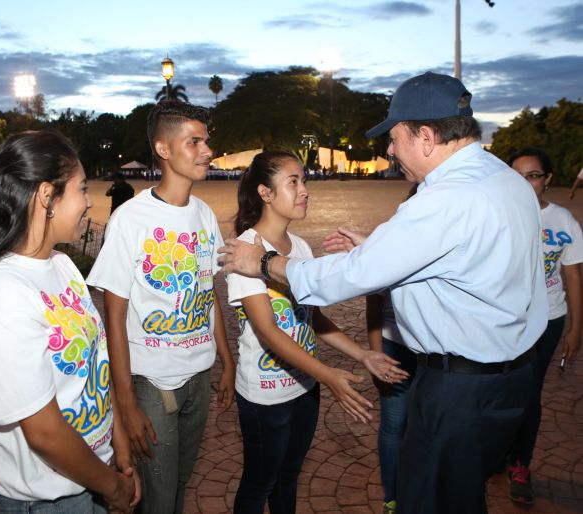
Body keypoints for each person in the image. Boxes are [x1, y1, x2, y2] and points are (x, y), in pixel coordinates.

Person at [218, 71, 548, 513]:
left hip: (461, 388)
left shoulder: (446, 197)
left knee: (428, 501)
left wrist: (262, 264)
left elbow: (346, 279)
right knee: (462, 495)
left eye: (394, 138)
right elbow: (457, 258)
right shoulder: (506, 180)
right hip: (511, 378)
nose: (390, 150)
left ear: (426, 136)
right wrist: (376, 250)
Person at [0, 131, 138, 513]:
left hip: (92, 475)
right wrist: (114, 490)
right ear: (46, 197)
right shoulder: (5, 290)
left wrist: (118, 445)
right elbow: (45, 433)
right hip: (46, 500)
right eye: (81, 189)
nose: (89, 202)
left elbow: (94, 365)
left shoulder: (62, 264)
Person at [227, 151, 407, 514]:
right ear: (265, 192)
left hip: (304, 387)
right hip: (265, 394)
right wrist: (329, 376)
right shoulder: (246, 252)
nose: (305, 190)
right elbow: (269, 332)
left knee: (289, 476)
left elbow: (313, 318)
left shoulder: (299, 248)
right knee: (259, 481)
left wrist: (362, 354)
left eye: (304, 180)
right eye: (293, 182)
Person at [86, 100, 235, 514]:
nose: (207, 151)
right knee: (157, 495)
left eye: (206, 141)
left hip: (198, 375)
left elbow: (207, 296)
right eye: (194, 142)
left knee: (179, 485)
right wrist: (126, 405)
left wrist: (225, 358)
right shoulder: (130, 220)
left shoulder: (204, 215)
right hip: (152, 383)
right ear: (164, 149)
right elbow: (112, 318)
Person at [505, 147, 583, 505]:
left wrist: (575, 328)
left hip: (548, 320)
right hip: (504, 321)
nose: (525, 183)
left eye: (533, 175)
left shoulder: (563, 221)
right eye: (517, 176)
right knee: (497, 390)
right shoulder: (498, 215)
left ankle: (520, 465)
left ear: (547, 179)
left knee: (529, 395)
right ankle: (494, 453)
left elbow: (572, 276)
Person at [365, 184, 419, 514]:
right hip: (393, 346)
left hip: (433, 352)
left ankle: (420, 490)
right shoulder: (384, 239)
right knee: (394, 424)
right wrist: (376, 355)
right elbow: (373, 304)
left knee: (426, 425)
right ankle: (392, 497)